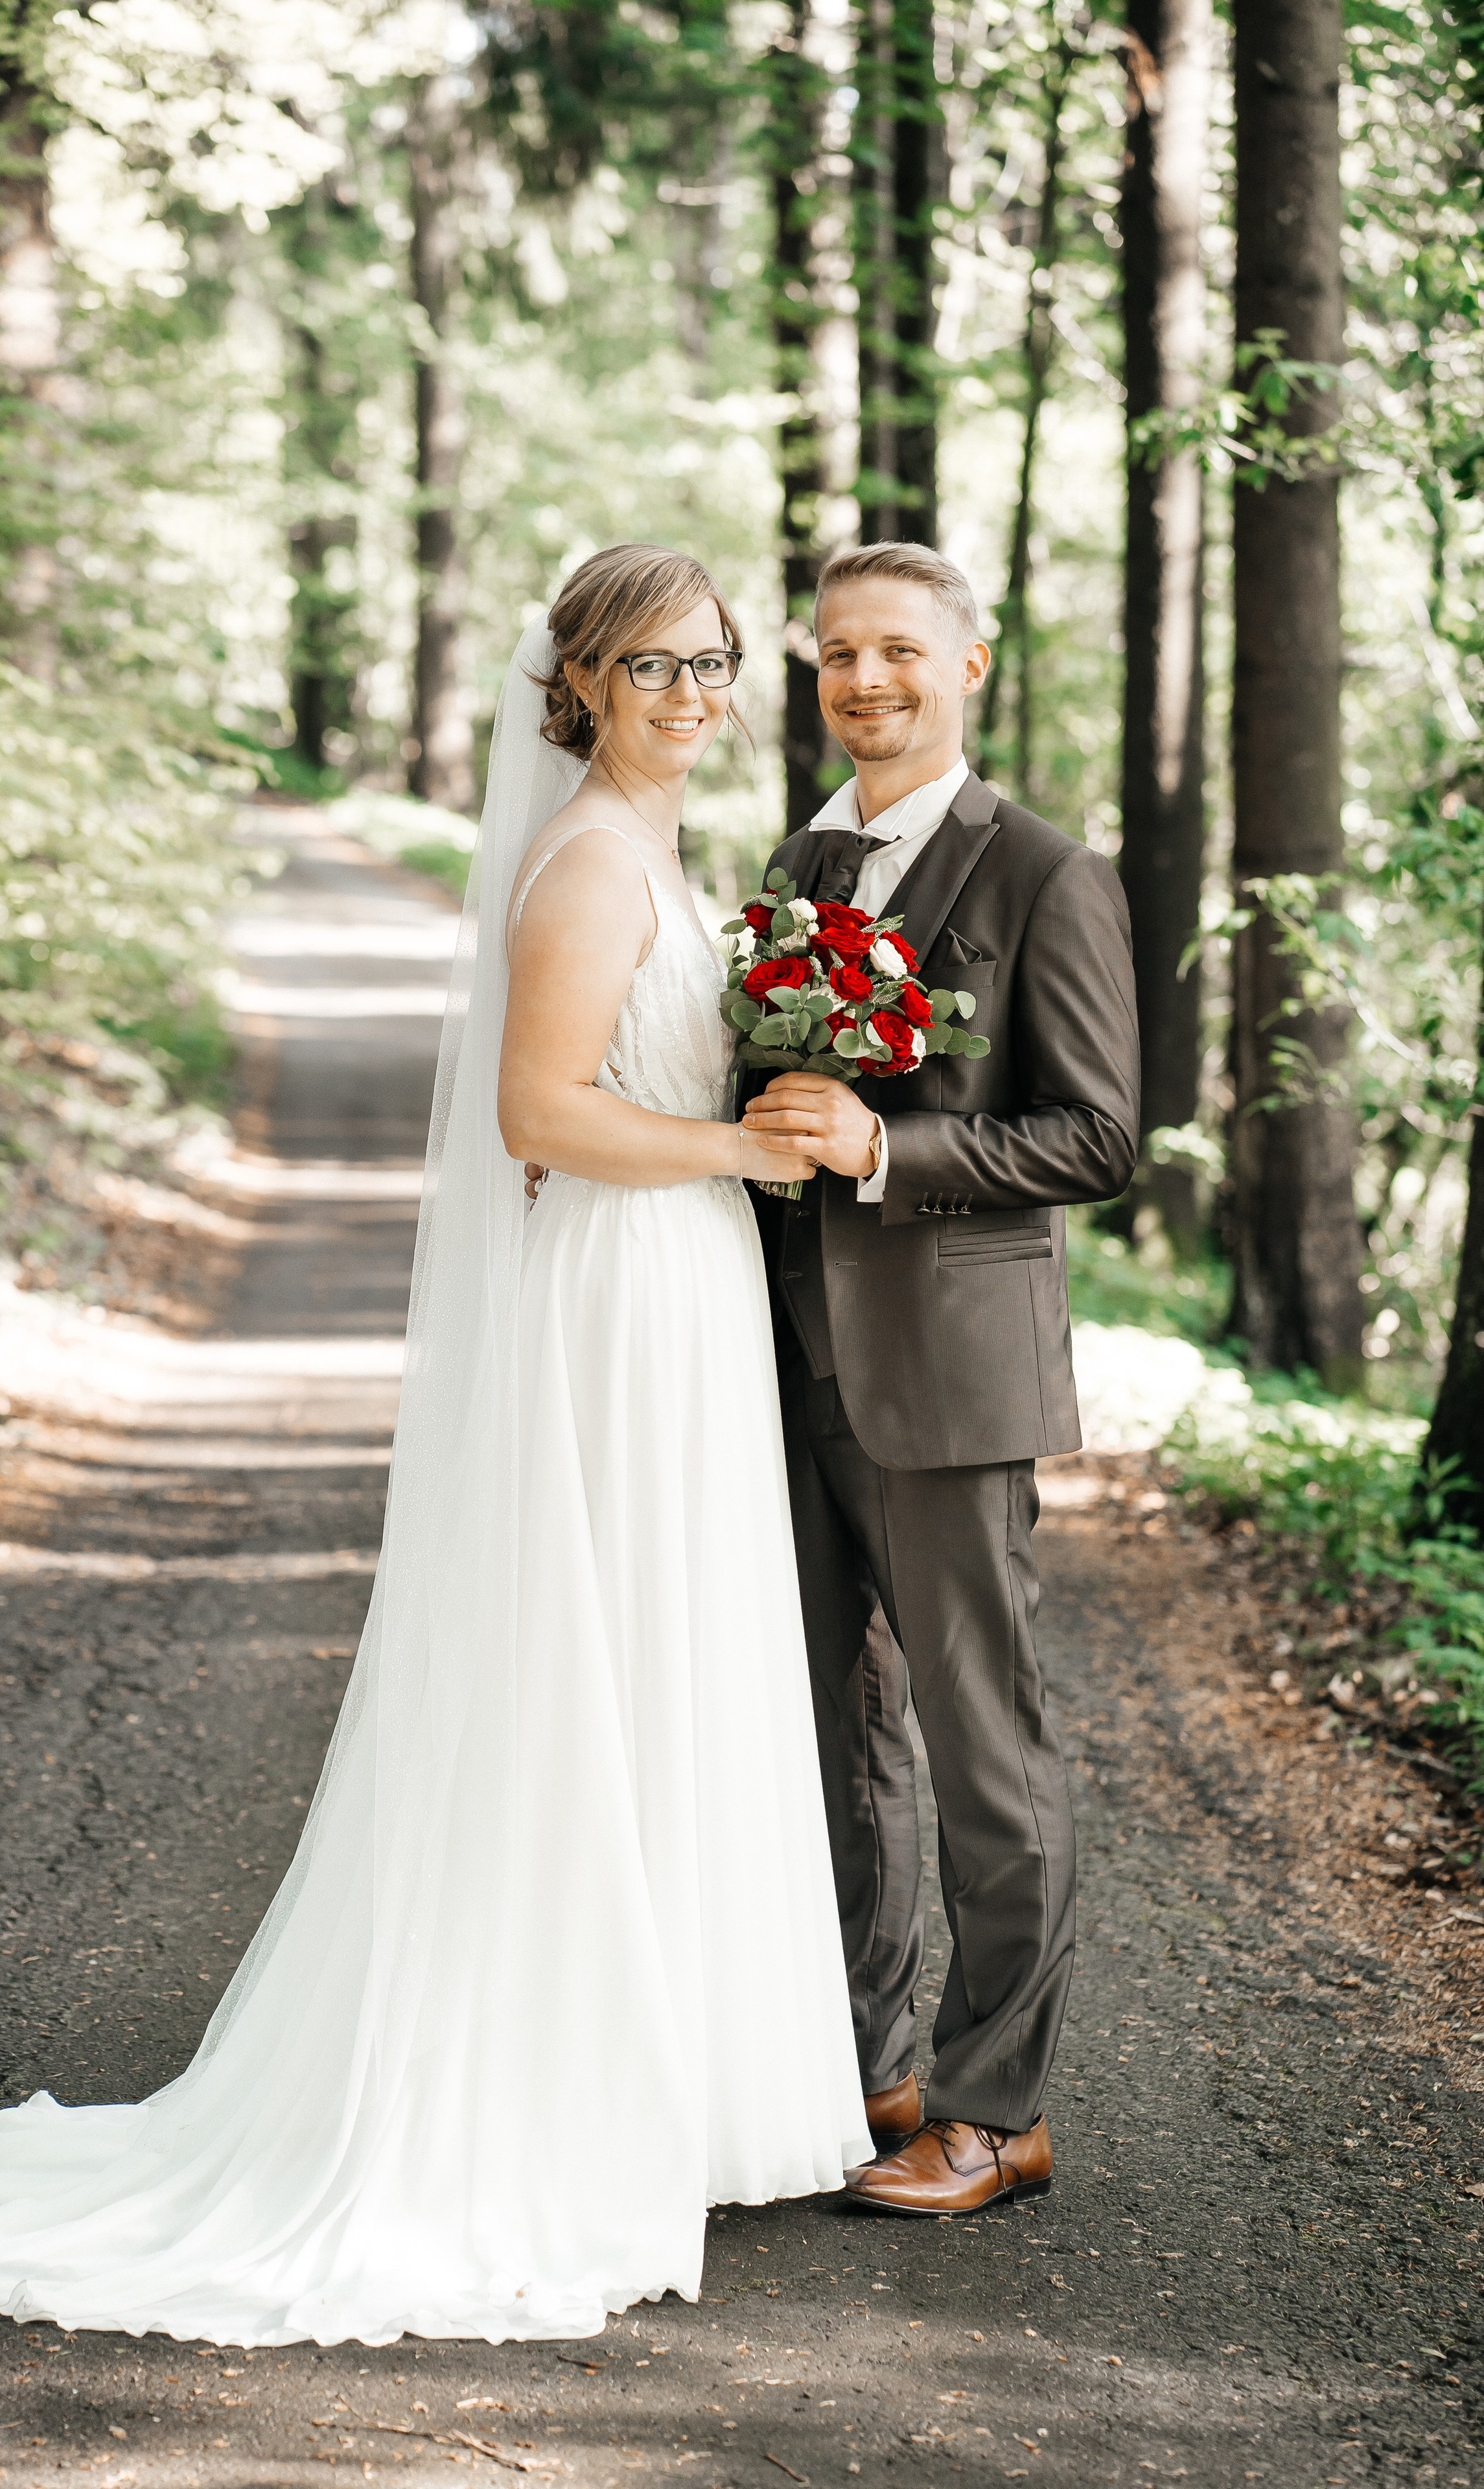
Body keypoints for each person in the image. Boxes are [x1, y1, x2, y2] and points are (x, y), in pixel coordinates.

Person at [0, 544, 869, 2345]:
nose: (693, 696)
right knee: (593, 1674)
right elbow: (537, 1114)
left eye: (713, 664)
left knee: (658, 1666)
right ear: (583, 690)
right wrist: (739, 1154)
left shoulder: (654, 851)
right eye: (654, 670)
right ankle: (548, 2088)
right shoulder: (592, 865)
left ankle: (656, 2075)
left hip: (676, 1283)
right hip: (624, 1288)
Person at [741, 540, 1140, 2216]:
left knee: (987, 1744)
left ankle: (998, 2107)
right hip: (787, 1358)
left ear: (967, 667)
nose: (865, 681)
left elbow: (1100, 1131)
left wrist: (890, 1151)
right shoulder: (805, 849)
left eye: (899, 650)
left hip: (951, 1371)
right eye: (839, 653)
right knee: (834, 1737)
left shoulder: (1045, 871)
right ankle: (859, 2071)